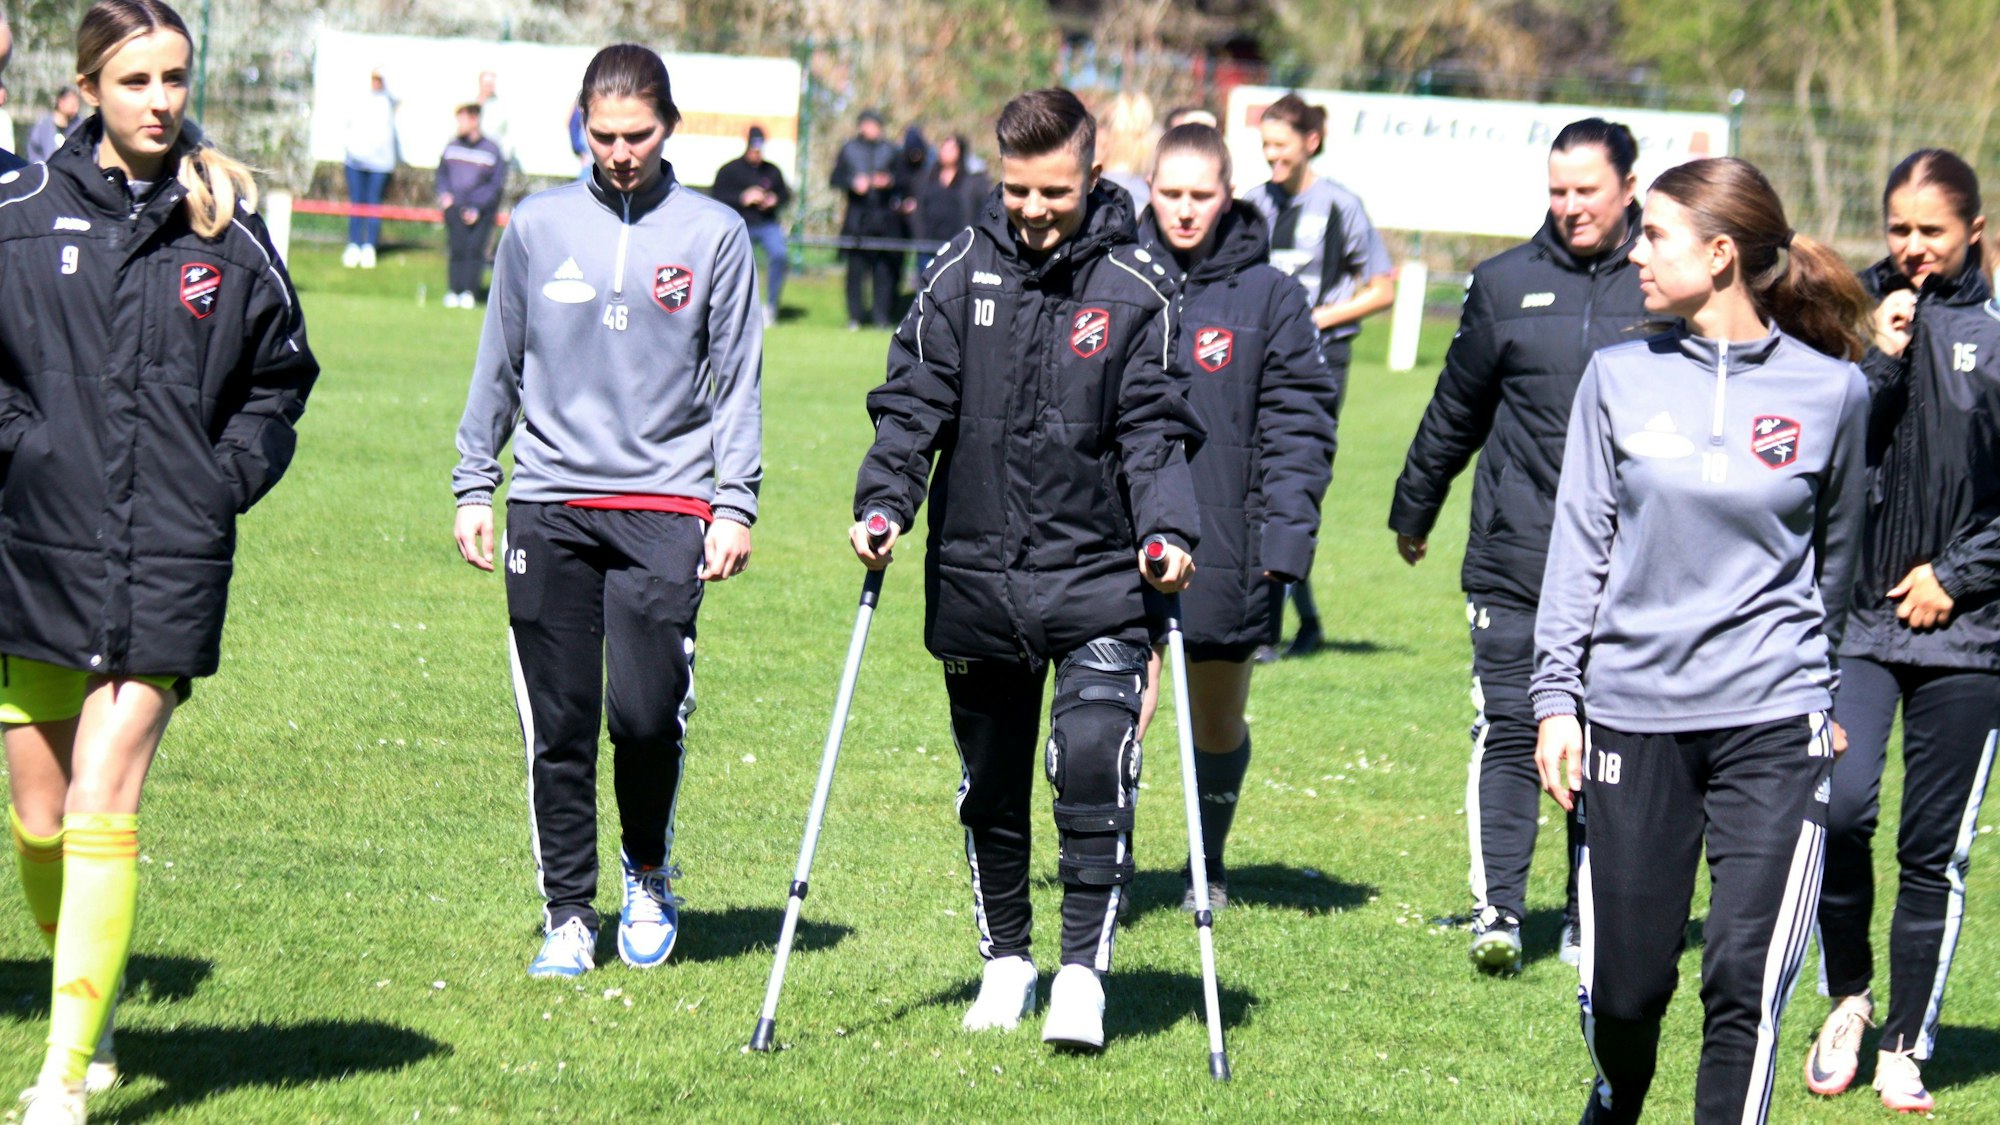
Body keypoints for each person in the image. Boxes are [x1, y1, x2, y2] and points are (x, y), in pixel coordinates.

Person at [0, 2, 317, 1120]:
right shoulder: (17, 215)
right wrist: (23, 449)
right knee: (38, 819)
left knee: (101, 798)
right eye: (136, 81)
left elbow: (282, 377)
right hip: (37, 548)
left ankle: (60, 1081)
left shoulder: (227, 227)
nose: (161, 102)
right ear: (87, 88)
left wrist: (220, 484)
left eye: (175, 78)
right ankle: (94, 1007)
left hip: (171, 550)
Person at [850, 87, 1201, 1051]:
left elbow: (1156, 432)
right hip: (978, 579)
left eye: (1053, 190)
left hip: (1097, 583)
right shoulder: (960, 272)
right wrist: (883, 502)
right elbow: (911, 401)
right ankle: (1008, 960)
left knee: (1091, 762)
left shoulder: (1139, 290)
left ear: (1091, 175)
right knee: (992, 786)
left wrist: (1169, 532)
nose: (1034, 210)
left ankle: (1082, 973)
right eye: (1017, 191)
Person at [1532, 155, 1871, 1125]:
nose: (1635, 251)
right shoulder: (1615, 379)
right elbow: (1576, 550)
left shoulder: (1831, 395)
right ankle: (1617, 1090)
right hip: (1630, 720)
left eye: (1655, 235)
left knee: (1742, 983)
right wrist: (1556, 700)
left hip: (1774, 721)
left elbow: (1834, 565)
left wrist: (1827, 696)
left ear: (1718, 254)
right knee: (1629, 990)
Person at [452, 43, 761, 982]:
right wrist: (476, 481)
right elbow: (497, 360)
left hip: (667, 503)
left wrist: (733, 503)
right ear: (580, 126)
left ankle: (649, 873)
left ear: (670, 128)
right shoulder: (536, 225)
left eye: (638, 134)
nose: (621, 151)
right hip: (547, 501)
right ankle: (567, 912)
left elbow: (738, 382)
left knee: (643, 714)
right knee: (561, 719)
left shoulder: (715, 235)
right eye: (603, 133)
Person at [1389, 119, 1659, 973]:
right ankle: (1499, 913)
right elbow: (1454, 410)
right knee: (1509, 727)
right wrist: (1414, 507)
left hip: (1630, 564)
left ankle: (1588, 917)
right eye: (1557, 191)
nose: (1571, 207)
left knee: (1607, 740)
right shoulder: (1504, 283)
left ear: (1627, 186)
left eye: (1587, 190)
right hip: (1515, 555)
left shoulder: (1664, 282)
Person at [1803, 149, 2000, 1115]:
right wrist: (1876, 355)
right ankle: (1849, 996)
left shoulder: (1999, 333)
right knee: (1837, 809)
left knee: (1933, 847)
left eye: (1932, 230)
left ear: (1973, 230)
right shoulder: (1845, 320)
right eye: (1898, 229)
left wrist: (1956, 577)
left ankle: (1905, 1043)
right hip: (1859, 625)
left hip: (1974, 635)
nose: (1914, 249)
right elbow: (1819, 454)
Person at [1132, 123, 1334, 910]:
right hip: (1116, 540)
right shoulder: (1113, 275)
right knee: (1119, 713)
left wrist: (1283, 543)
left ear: (1229, 196)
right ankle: (1104, 865)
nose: (1184, 211)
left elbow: (1299, 424)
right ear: (1147, 189)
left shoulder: (1272, 296)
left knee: (1216, 722)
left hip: (1226, 545)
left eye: (1200, 195)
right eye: (1170, 193)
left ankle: (1205, 863)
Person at [1244, 92, 1393, 659]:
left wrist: (1316, 316)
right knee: (1254, 485)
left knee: (1292, 485)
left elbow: (1382, 286)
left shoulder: (1341, 206)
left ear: (1310, 142)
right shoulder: (1251, 204)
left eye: (1281, 146)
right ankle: (1293, 622)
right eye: (1265, 147)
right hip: (1257, 361)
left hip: (1321, 363)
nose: (1272, 157)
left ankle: (1270, 627)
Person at [710, 125, 790, 326]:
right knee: (741, 262)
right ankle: (735, 308)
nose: (757, 153)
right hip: (739, 224)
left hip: (766, 224)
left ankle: (770, 307)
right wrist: (742, 198)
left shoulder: (772, 171)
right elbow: (717, 196)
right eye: (754, 148)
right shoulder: (730, 170)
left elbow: (785, 195)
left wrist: (774, 200)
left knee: (779, 254)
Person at [434, 102, 506, 310]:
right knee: (457, 248)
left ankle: (469, 291)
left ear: (474, 120)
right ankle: (454, 290)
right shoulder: (452, 146)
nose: (459, 124)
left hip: (481, 211)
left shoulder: (491, 150)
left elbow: (495, 184)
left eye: (463, 119)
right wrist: (445, 195)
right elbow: (442, 175)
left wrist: (477, 207)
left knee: (474, 250)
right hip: (455, 208)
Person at [831, 109, 899, 329]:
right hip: (857, 217)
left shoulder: (890, 150)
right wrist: (852, 182)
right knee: (855, 271)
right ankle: (856, 317)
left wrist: (888, 181)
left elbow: (903, 179)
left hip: (883, 217)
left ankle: (881, 316)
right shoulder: (849, 149)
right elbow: (836, 177)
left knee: (883, 271)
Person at [340, 67, 397, 269]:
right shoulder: (358, 97)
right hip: (355, 161)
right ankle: (354, 244)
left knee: (373, 205)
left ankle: (369, 246)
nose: (376, 82)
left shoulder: (388, 100)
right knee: (357, 203)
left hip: (380, 164)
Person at [914, 133, 987, 274]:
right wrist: (920, 236)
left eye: (951, 149)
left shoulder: (971, 181)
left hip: (957, 245)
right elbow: (919, 209)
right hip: (929, 244)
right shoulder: (928, 177)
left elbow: (978, 210)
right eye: (944, 148)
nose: (945, 153)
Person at [24, 86, 83, 165]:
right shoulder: (43, 125)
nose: (76, 109)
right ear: (61, 102)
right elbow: (33, 152)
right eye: (73, 105)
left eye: (77, 105)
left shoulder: (78, 125)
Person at [476, 69, 513, 171]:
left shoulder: (502, 107)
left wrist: (503, 158)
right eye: (487, 84)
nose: (489, 87)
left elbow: (508, 135)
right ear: (480, 84)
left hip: (492, 159)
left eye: (491, 84)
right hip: (473, 159)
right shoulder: (472, 105)